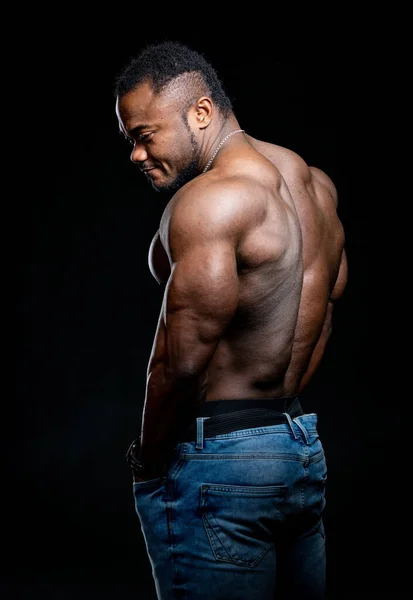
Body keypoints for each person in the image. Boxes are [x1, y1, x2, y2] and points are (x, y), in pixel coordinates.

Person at [114, 41, 347, 600]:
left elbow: (179, 358)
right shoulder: (313, 186)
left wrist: (148, 460)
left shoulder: (210, 201)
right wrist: (272, 430)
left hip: (222, 462)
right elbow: (321, 319)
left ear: (200, 112)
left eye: (145, 135)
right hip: (298, 446)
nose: (136, 155)